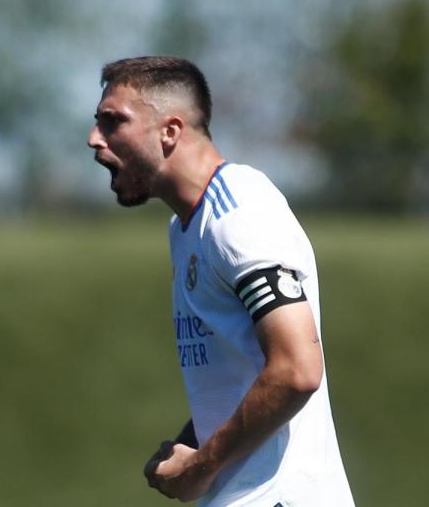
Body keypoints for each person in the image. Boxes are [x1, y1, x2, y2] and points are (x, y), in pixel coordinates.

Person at [87, 56, 354, 506]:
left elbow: (297, 371)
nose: (95, 139)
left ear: (169, 131)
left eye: (113, 122)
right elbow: (246, 371)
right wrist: (190, 443)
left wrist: (201, 466)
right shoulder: (187, 227)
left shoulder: (239, 216)